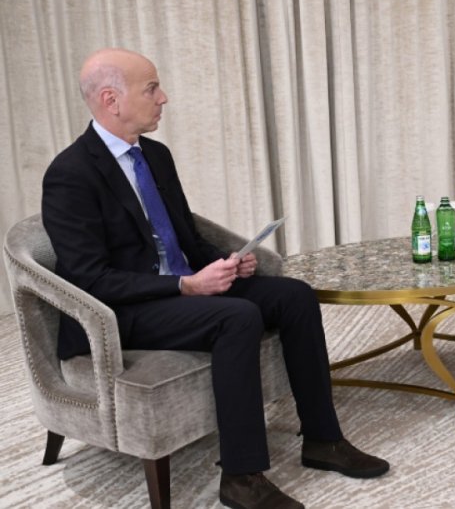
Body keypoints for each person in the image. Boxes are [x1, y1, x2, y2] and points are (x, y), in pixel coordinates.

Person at [42, 48, 389, 509]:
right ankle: (241, 477)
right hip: (122, 311)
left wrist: (226, 261)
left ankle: (323, 440)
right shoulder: (70, 175)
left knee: (295, 296)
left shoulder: (155, 156)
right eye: (151, 88)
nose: (163, 98)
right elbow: (91, 279)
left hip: (180, 290)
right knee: (237, 317)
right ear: (111, 99)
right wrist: (185, 286)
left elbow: (185, 236)